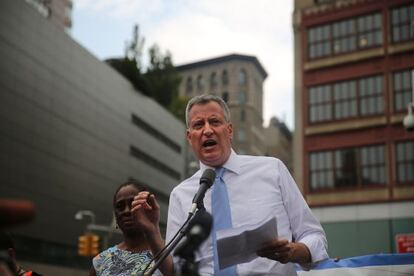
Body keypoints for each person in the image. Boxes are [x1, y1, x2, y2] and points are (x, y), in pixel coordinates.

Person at [166, 94, 328, 275]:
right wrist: (150, 231)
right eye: (198, 125)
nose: (208, 130)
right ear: (189, 137)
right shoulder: (180, 195)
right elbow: (175, 267)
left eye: (215, 122)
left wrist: (293, 251)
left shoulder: (272, 170)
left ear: (229, 130)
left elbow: (315, 237)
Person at [90, 179, 173, 276]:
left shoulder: (170, 254)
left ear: (148, 207)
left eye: (133, 204)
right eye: (120, 206)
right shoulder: (100, 262)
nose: (126, 211)